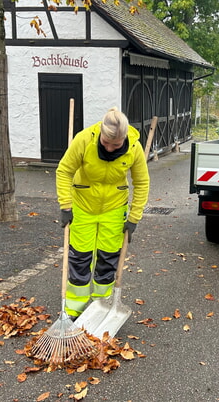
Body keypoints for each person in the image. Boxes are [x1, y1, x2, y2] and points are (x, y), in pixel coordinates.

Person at [56, 107, 150, 319]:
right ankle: (73, 312)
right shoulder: (84, 140)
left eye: (115, 145)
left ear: (124, 138)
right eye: (105, 142)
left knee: (108, 260)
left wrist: (134, 218)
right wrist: (66, 206)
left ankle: (101, 308)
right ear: (100, 133)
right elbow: (64, 171)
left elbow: (142, 183)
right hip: (83, 206)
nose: (109, 148)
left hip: (114, 208)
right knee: (80, 258)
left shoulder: (134, 148)